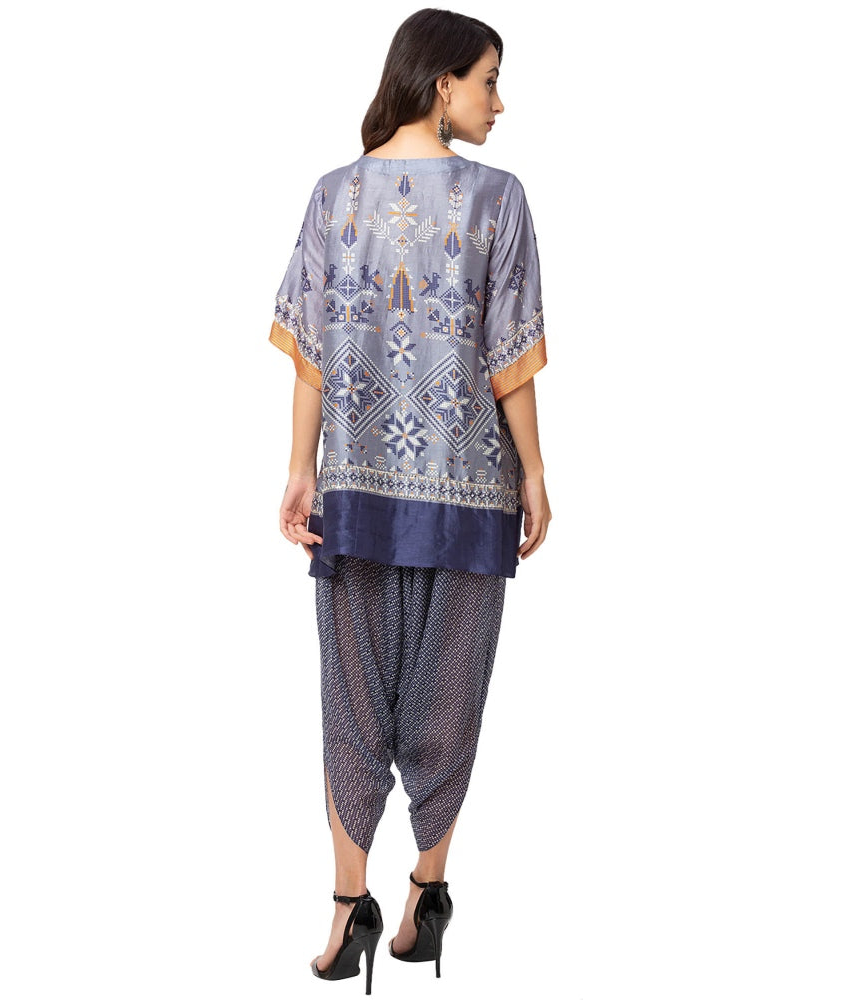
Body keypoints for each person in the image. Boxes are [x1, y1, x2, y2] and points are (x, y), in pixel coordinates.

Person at [268, 8, 552, 993]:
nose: (498, 104)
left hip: (353, 487)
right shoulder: (498, 201)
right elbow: (510, 355)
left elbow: (309, 351)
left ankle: (348, 910)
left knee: (351, 698)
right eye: (488, 81)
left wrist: (300, 468)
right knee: (446, 695)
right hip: (469, 493)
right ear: (442, 85)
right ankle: (427, 896)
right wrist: (535, 473)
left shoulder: (332, 195)